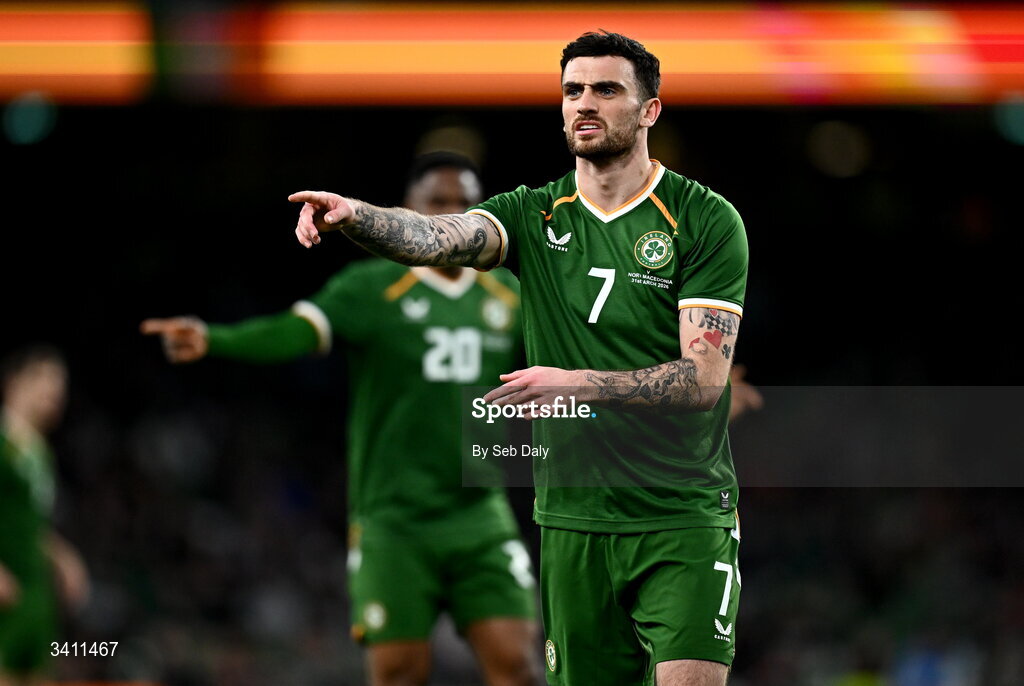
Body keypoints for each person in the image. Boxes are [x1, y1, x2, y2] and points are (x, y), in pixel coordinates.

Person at [288, 31, 749, 686]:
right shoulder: (533, 213)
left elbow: (702, 379)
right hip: (572, 519)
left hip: (681, 515)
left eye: (606, 90)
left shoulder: (704, 220)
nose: (584, 104)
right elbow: (439, 237)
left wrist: (577, 383)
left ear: (649, 111)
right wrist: (356, 215)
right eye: (573, 91)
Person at [141, 152, 541, 686]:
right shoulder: (369, 287)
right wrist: (216, 339)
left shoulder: (509, 294)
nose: (451, 213)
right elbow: (297, 332)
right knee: (398, 673)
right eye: (438, 202)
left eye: (464, 203)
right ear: (409, 210)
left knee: (518, 665)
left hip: (479, 513)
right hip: (393, 519)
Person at [0, 344, 90, 686]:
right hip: (6, 593)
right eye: (45, 378)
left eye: (61, 384)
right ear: (14, 381)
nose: (55, 391)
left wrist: (63, 557)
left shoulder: (40, 453)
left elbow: (30, 522)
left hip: (36, 596)